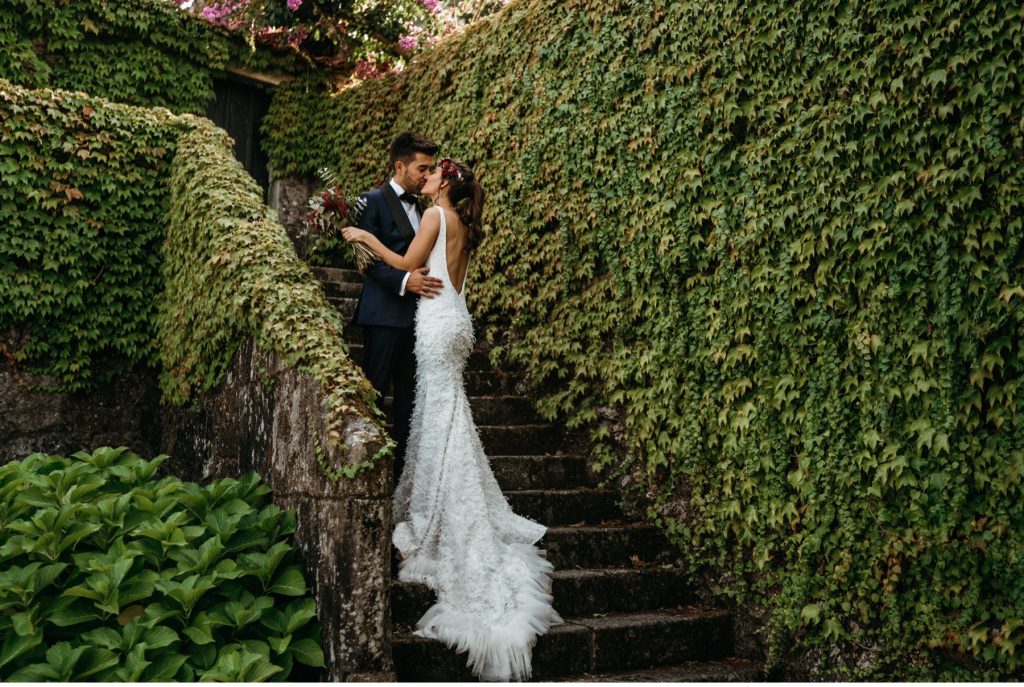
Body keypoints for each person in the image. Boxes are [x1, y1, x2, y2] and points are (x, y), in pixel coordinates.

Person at [343, 157, 562, 681]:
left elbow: (402, 262)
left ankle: (447, 508)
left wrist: (362, 236)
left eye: (433, 174)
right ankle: (440, 490)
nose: (427, 180)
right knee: (446, 413)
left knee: (441, 413)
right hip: (456, 321)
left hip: (438, 326)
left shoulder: (438, 217)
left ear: (444, 183)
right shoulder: (463, 222)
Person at [353, 133, 444, 481]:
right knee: (375, 393)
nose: (427, 174)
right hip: (383, 316)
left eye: (431, 169)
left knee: (409, 403)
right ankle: (370, 475)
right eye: (422, 168)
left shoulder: (426, 207)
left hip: (421, 320)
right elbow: (367, 261)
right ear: (399, 165)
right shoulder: (371, 200)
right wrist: (407, 282)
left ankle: (402, 480)